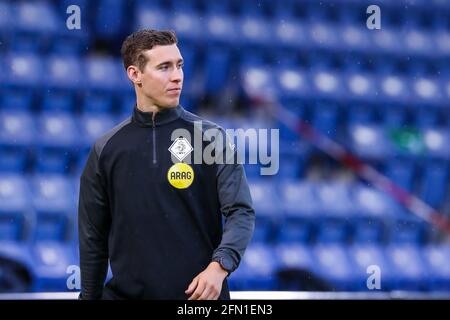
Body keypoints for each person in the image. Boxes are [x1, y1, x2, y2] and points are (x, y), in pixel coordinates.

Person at [78, 29, 255, 300]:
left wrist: (219, 267)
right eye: (164, 67)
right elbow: (93, 238)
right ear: (134, 74)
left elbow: (241, 212)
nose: (177, 76)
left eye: (179, 65)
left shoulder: (211, 138)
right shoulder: (106, 149)